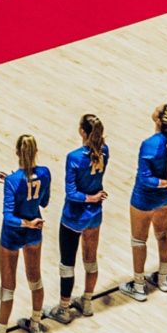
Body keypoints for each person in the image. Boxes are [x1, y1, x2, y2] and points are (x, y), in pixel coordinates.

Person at [0, 135, 52, 333]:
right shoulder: (44, 173)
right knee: (35, 278)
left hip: (14, 233)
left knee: (8, 286)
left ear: (17, 152)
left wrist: (12, 183)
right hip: (35, 231)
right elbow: (43, 201)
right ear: (36, 152)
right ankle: (35, 324)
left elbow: (8, 216)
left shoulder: (13, 181)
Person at [122, 104, 167, 300]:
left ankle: (139, 286)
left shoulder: (149, 144)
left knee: (139, 240)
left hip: (145, 198)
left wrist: (166, 182)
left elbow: (146, 179)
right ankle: (162, 278)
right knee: (163, 234)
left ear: (158, 120)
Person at [56, 114, 107, 322]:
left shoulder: (75, 157)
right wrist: (95, 197)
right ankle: (87, 301)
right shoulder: (105, 151)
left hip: (74, 216)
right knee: (91, 260)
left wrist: (90, 197)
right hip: (95, 214)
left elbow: (71, 193)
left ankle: (64, 308)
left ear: (82, 132)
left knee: (67, 263)